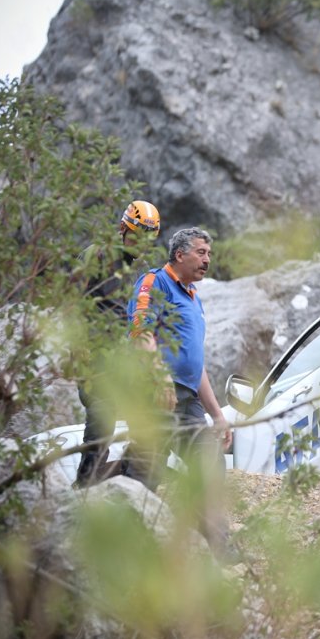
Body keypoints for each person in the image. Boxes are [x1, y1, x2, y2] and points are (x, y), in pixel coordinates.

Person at [125, 227, 233, 552]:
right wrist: (158, 377)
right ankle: (129, 544)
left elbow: (195, 365)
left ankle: (218, 547)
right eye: (201, 252)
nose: (207, 260)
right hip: (155, 395)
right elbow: (140, 331)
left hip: (189, 402)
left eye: (209, 254)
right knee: (148, 469)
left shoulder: (193, 298)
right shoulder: (155, 282)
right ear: (179, 254)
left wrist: (217, 414)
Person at [74, 200, 161, 487]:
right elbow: (70, 299)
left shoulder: (133, 270)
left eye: (148, 238)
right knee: (102, 417)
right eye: (137, 235)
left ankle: (133, 482)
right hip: (95, 360)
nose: (142, 243)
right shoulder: (96, 255)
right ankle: (86, 486)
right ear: (123, 229)